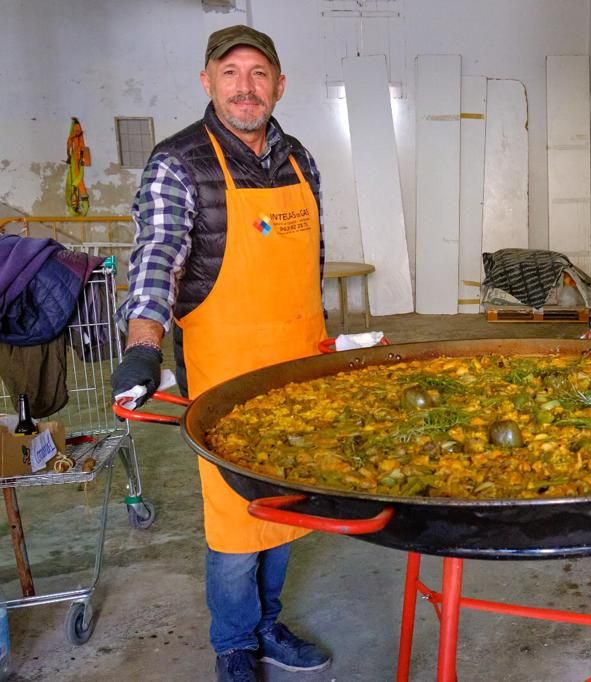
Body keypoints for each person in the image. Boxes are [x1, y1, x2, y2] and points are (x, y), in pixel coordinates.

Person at [111, 25, 332, 682]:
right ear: (207, 82)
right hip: (228, 379)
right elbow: (156, 261)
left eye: (259, 73)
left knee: (291, 506)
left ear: (279, 85)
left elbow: (308, 274)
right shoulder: (179, 162)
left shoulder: (302, 162)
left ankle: (268, 625)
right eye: (230, 72)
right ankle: (234, 641)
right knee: (237, 522)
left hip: (298, 374)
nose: (246, 87)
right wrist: (143, 347)